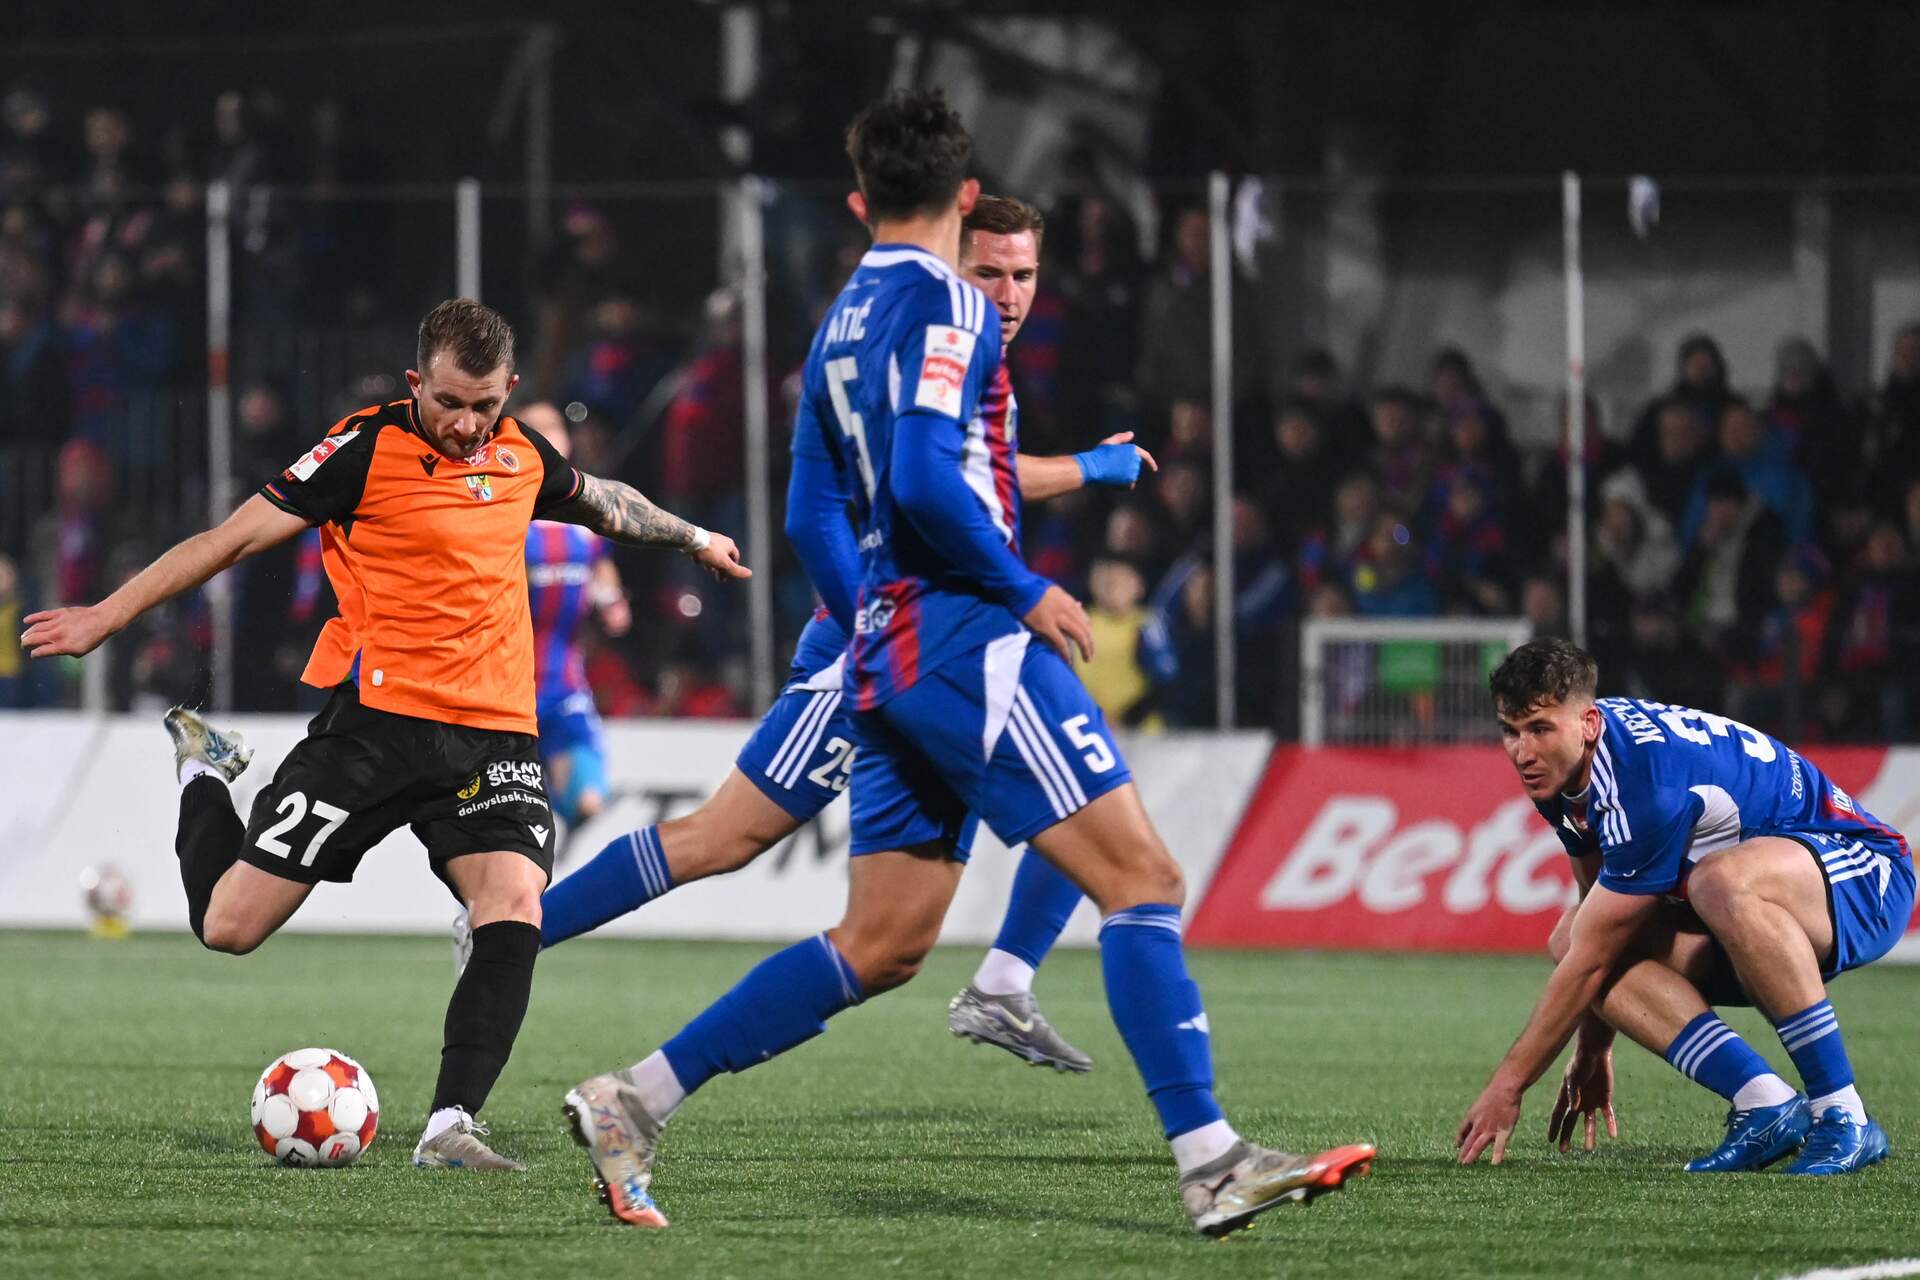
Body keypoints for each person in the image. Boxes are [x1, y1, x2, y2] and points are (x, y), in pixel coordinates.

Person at [559, 89, 1372, 1237]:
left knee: (883, 943)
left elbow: (810, 509)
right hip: (960, 635)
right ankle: (1212, 1160)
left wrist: (876, 618)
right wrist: (1018, 585)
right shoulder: (951, 302)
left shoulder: (843, 318)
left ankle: (636, 1099)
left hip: (892, 649)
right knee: (1143, 880)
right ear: (968, 195)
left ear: (860, 201)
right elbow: (925, 479)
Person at [21, 299, 749, 1172]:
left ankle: (449, 1125)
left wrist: (696, 537)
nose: (467, 425)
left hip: (494, 734)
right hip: (375, 730)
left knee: (513, 905)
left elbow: (602, 502)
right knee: (229, 926)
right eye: (450, 403)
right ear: (416, 384)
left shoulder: (520, 452)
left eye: (485, 405)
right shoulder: (363, 448)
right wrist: (106, 615)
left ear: (510, 390)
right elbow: (230, 540)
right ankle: (203, 771)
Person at [527, 195, 1157, 1079]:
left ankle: (1006, 982)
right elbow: (915, 483)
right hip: (879, 640)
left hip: (941, 638)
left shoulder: (965, 349)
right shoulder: (928, 343)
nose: (1008, 293)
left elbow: (978, 475)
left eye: (1023, 275)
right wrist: (1083, 477)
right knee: (725, 837)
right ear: (949, 266)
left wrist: (1083, 471)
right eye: (988, 272)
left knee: (1081, 786)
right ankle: (518, 932)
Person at [1457, 638, 1912, 1174]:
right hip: (1755, 914)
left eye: (1539, 729)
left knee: (1717, 882)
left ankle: (1843, 1115)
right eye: (1510, 731)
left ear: (1588, 723)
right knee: (1571, 934)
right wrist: (1593, 1046)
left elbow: (1596, 957)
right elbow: (1599, 925)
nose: (1522, 751)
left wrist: (1507, 1088)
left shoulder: (1642, 780)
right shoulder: (1566, 766)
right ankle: (1764, 1102)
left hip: (1865, 875)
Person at [518, 401, 630, 832]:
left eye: (554, 428)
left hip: (565, 684)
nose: (548, 437)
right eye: (535, 428)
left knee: (588, 802)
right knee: (510, 822)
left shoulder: (586, 510)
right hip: (507, 690)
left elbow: (601, 562)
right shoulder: (504, 514)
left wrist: (611, 599)